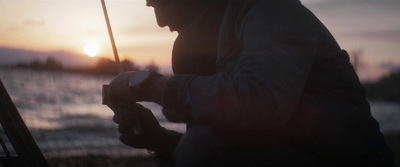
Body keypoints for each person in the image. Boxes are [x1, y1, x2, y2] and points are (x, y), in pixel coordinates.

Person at [106, 0, 394, 166]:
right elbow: (241, 145)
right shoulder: (210, 42)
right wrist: (161, 139)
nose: (159, 20)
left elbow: (262, 100)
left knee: (199, 148)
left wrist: (143, 84)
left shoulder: (272, 10)